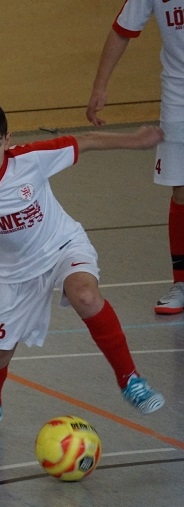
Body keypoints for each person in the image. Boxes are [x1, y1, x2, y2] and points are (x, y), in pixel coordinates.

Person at [0, 97, 167, 440]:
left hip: (63, 246)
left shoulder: (31, 160)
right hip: (16, 276)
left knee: (85, 295)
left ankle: (130, 379)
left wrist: (136, 140)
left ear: (7, 140)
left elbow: (85, 141)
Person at [86, 0, 184, 314]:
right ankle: (182, 283)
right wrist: (100, 86)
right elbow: (122, 30)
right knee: (181, 189)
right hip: (178, 93)